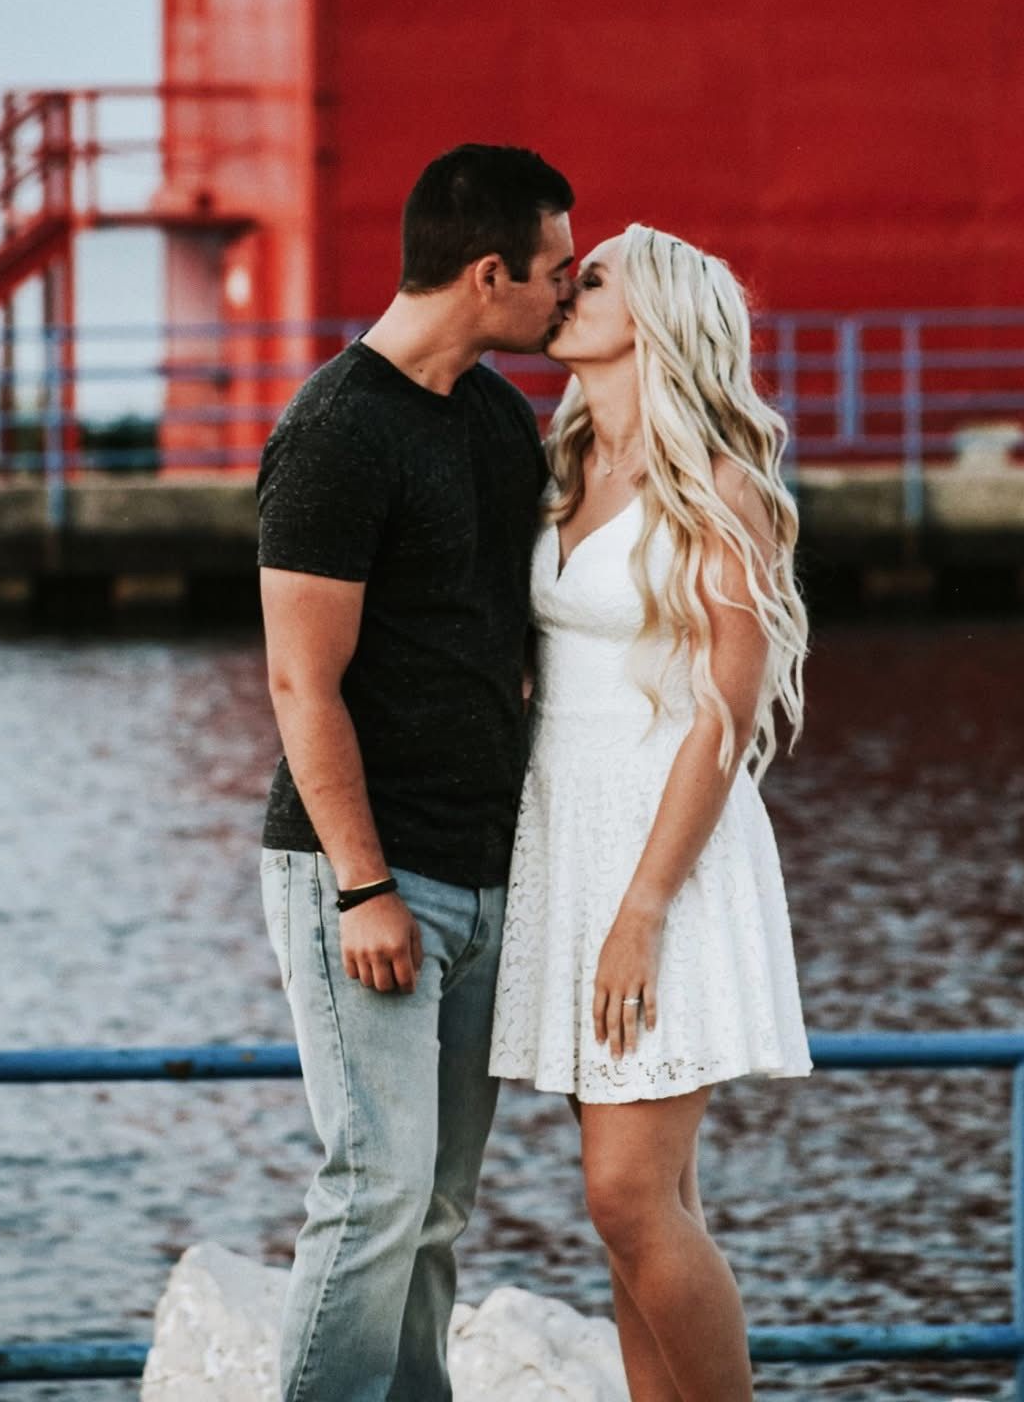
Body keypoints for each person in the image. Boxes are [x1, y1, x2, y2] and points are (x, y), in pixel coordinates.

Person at [256, 143, 575, 1402]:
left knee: (436, 1204)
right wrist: (361, 886)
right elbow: (300, 682)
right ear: (489, 271)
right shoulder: (338, 431)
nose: (568, 291)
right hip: (370, 876)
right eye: (555, 271)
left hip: (483, 872)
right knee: (375, 1187)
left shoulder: (499, 418)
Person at [489, 223, 812, 1402]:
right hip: (562, 835)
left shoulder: (725, 485)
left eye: (597, 275)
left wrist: (644, 906)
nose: (569, 286)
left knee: (627, 1193)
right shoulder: (560, 464)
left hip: (663, 852)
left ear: (661, 315)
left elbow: (723, 720)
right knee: (644, 1204)